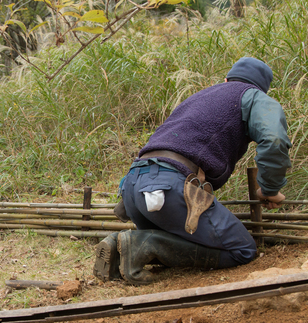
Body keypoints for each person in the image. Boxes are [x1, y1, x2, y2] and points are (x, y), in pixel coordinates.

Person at [94, 57, 292, 286]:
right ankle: (142, 243)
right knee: (243, 250)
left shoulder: (201, 96)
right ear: (261, 89)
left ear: (226, 80)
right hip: (168, 188)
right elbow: (275, 140)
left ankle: (123, 248)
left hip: (133, 187)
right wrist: (269, 189)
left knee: (182, 240)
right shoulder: (253, 96)